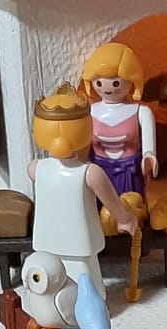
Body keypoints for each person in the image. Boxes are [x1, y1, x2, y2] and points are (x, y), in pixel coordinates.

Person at [28, 83, 137, 301]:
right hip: (79, 241)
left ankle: (56, 306)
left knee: (52, 279)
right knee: (87, 282)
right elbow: (111, 201)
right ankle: (90, 307)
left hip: (47, 240)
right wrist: (125, 219)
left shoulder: (35, 168)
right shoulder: (90, 173)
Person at [80, 41, 158, 199]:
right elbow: (84, 142)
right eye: (99, 82)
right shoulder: (91, 111)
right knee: (100, 206)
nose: (108, 88)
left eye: (116, 83)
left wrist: (149, 155)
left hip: (129, 173)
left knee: (131, 206)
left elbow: (148, 144)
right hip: (99, 171)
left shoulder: (141, 112)